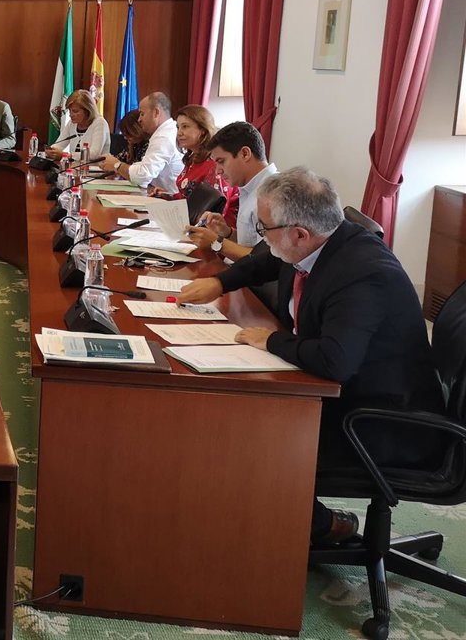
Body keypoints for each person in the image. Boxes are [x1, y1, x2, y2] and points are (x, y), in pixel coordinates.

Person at [176, 168, 445, 544]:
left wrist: (271, 341)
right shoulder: (320, 241)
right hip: (346, 393)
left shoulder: (364, 274)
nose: (261, 235)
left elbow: (335, 360)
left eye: (265, 227)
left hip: (381, 421)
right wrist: (220, 282)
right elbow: (268, 260)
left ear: (300, 233)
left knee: (245, 437)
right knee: (233, 416)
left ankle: (319, 527)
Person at [184, 121, 278, 262]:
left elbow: (267, 260)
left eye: (221, 161)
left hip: (250, 274)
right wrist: (227, 232)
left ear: (245, 154)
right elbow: (252, 243)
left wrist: (217, 243)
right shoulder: (249, 187)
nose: (217, 171)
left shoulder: (275, 193)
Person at [149, 105, 237, 220]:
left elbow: (215, 211)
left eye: (185, 127)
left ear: (203, 130)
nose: (179, 133)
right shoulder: (193, 158)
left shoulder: (215, 163)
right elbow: (190, 200)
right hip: (188, 222)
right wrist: (168, 197)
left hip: (212, 228)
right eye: (178, 127)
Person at [97, 91, 183, 192]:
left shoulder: (163, 137)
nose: (139, 119)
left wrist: (117, 165)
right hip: (161, 194)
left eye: (142, 114)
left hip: (171, 199)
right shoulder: (166, 131)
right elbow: (142, 167)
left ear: (156, 113)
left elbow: (143, 176)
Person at [49, 89, 109, 159]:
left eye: (75, 111)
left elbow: (94, 154)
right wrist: (51, 150)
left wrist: (68, 156)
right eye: (70, 111)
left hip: (97, 166)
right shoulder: (72, 123)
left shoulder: (100, 123)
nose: (71, 115)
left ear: (88, 111)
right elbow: (59, 145)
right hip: (74, 165)